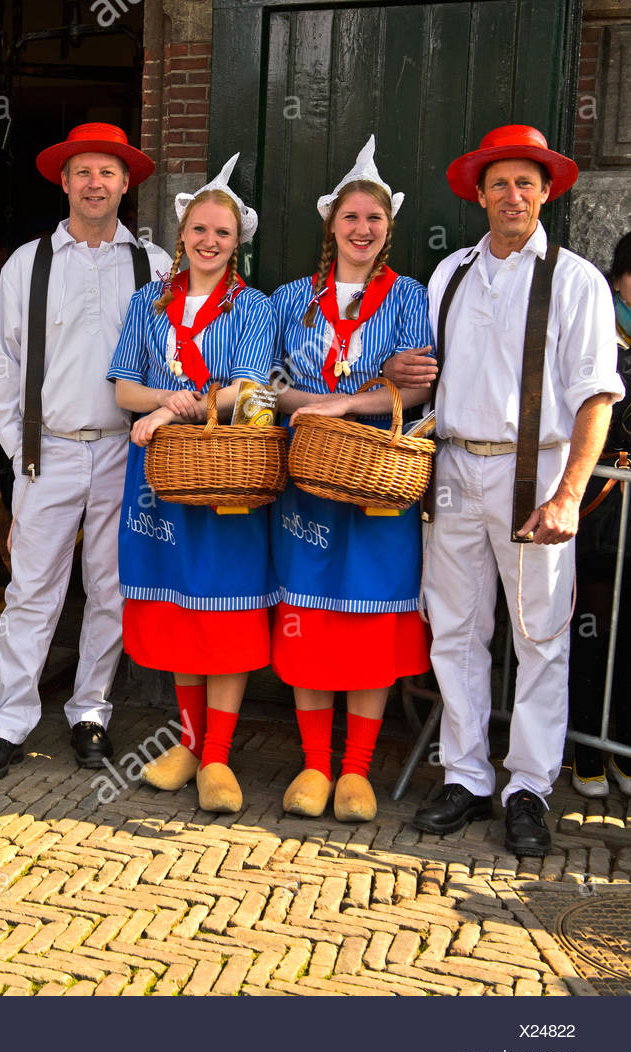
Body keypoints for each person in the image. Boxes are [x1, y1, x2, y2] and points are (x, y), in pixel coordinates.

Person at [404, 125, 623, 857]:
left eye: (526, 182)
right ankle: (464, 775)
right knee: (458, 633)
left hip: (535, 477)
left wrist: (567, 496)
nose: (513, 194)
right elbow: (436, 379)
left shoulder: (577, 279)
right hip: (455, 470)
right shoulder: (450, 274)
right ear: (479, 192)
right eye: (499, 182)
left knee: (541, 640)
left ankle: (527, 787)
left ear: (547, 191)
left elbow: (597, 398)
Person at [0, 123, 171, 780]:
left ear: (125, 184)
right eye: (83, 172)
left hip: (124, 450)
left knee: (110, 589)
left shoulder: (156, 265)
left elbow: (177, 361)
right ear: (64, 182)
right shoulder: (29, 262)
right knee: (31, 592)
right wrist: (18, 445)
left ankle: (90, 713)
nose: (94, 184)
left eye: (107, 172)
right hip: (47, 450)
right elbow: (3, 362)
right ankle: (9, 723)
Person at [266, 137, 434, 823]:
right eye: (350, 218)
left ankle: (356, 770)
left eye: (374, 220)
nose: (362, 230)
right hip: (307, 476)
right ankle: (313, 762)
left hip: (378, 481)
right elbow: (265, 390)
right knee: (309, 612)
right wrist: (326, 404)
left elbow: (416, 390)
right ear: (330, 227)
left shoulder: (411, 297)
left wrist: (344, 400)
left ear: (388, 229)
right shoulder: (287, 300)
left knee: (367, 619)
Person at [109, 156, 277, 813]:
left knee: (227, 608)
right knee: (182, 605)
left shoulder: (254, 306)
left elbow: (250, 386)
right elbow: (122, 384)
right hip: (163, 475)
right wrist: (162, 402)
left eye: (224, 234)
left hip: (225, 470)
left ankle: (218, 756)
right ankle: (187, 741)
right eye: (200, 230)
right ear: (181, 233)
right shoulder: (146, 303)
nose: (210, 242)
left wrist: (170, 407)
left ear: (238, 244)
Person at [567, 230, 631, 796]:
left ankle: (625, 744)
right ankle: (585, 746)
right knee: (591, 628)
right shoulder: (600, 330)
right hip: (599, 507)